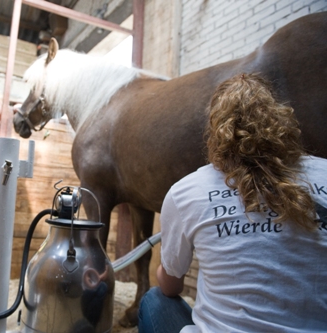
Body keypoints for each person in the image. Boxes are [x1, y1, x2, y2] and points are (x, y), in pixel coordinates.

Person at [137, 73, 327, 332]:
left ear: (217, 130)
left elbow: (171, 286)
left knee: (154, 299)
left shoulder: (186, 191)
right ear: (278, 119)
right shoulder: (324, 173)